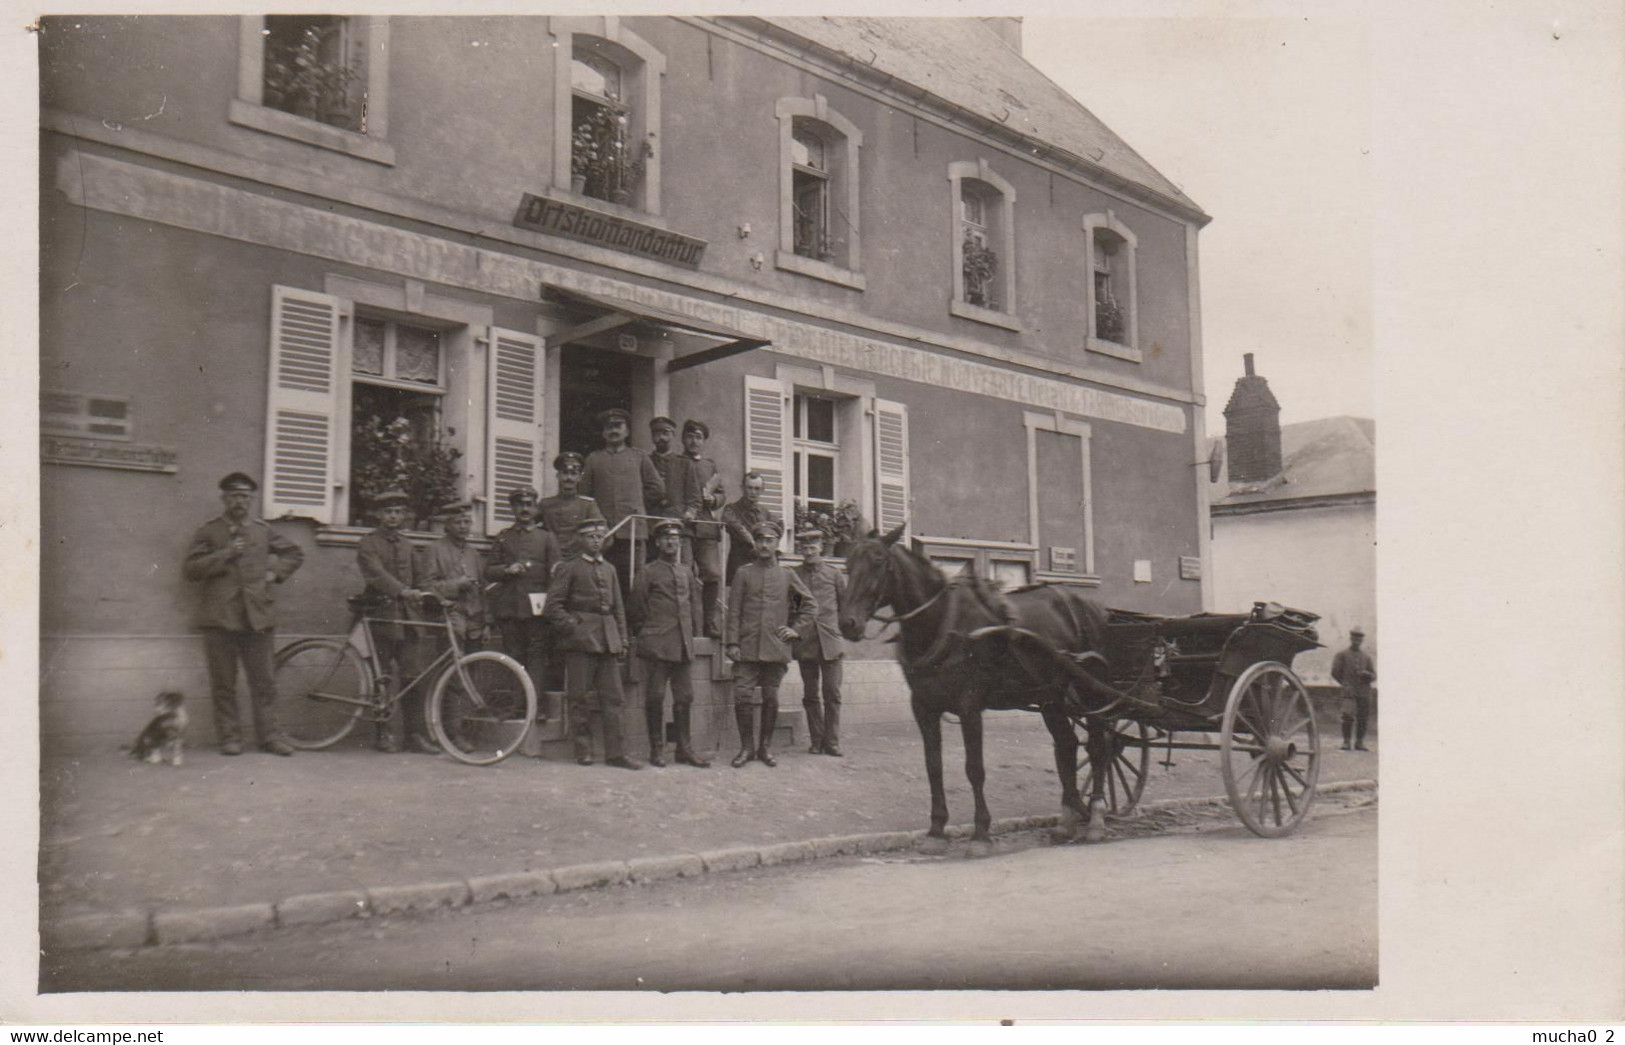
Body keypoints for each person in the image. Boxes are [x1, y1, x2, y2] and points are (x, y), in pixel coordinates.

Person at [182, 472, 305, 756]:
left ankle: (270, 737)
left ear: (252, 499)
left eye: (246, 496)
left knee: (264, 681)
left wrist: (275, 575)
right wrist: (225, 553)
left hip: (257, 616)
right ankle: (230, 737)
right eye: (235, 496)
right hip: (219, 617)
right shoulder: (210, 531)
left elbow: (295, 553)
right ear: (224, 498)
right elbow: (190, 570)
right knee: (223, 683)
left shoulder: (263, 530)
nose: (241, 502)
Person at [546, 517, 641, 770]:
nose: (596, 540)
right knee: (579, 697)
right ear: (580, 539)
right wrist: (573, 627)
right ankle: (583, 750)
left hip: (607, 640)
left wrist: (621, 637)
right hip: (580, 642)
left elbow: (618, 607)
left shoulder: (609, 569)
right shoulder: (570, 568)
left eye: (599, 536)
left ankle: (617, 753)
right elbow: (552, 607)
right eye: (590, 536)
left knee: (614, 699)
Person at [725, 520, 815, 768]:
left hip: (775, 648)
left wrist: (795, 630)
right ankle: (746, 748)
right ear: (755, 543)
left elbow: (806, 606)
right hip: (746, 648)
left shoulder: (787, 576)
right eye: (760, 540)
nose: (764, 545)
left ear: (777, 544)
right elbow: (733, 611)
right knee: (742, 695)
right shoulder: (744, 573)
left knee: (771, 697)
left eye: (769, 540)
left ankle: (765, 748)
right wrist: (732, 642)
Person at [356, 488, 434, 754]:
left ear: (404, 515)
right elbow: (376, 575)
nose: (393, 517)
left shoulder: (408, 545)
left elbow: (421, 579)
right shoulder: (368, 544)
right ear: (379, 515)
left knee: (413, 676)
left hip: (409, 621)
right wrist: (403, 591)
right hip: (381, 616)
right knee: (382, 677)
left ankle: (414, 735)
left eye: (398, 512)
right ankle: (383, 733)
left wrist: (431, 595)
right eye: (388, 512)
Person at [629, 520, 709, 768]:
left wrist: (693, 633)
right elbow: (636, 609)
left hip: (683, 645)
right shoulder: (648, 572)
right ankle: (657, 749)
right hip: (657, 646)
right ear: (657, 543)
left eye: (675, 538)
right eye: (666, 538)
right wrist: (650, 634)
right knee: (655, 697)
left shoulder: (686, 571)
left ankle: (684, 749)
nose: (671, 542)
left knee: (685, 697)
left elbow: (695, 604)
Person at [485, 485, 561, 710]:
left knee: (537, 658)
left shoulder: (547, 538)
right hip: (510, 608)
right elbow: (489, 570)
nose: (524, 509)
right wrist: (507, 570)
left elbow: (557, 574)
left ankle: (534, 707)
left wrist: (552, 605)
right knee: (514, 657)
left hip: (537, 610)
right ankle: (518, 707)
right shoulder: (503, 538)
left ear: (535, 507)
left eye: (529, 504)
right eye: (520, 505)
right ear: (513, 508)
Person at [578, 407, 664, 601]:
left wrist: (638, 504)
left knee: (634, 583)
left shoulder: (639, 457)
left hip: (632, 531)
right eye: (608, 427)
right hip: (604, 533)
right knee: (602, 582)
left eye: (618, 426)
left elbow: (657, 488)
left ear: (627, 431)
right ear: (603, 432)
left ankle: (633, 628)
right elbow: (583, 495)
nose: (613, 431)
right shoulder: (593, 459)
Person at [792, 528, 848, 757]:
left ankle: (832, 741)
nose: (808, 552)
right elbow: (793, 608)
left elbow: (845, 607)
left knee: (832, 693)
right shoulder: (794, 575)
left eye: (812, 548)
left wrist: (837, 631)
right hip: (806, 643)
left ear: (821, 548)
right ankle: (816, 740)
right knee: (811, 694)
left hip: (831, 642)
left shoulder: (834, 575)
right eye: (804, 549)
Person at [671, 418, 726, 638]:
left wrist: (713, 499)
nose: (694, 441)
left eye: (699, 437)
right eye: (690, 437)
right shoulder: (675, 462)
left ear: (704, 441)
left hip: (705, 527)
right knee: (684, 573)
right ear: (683, 439)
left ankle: (709, 620)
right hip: (684, 527)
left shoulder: (709, 465)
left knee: (712, 573)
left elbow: (722, 494)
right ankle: (687, 622)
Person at [417, 501, 487, 653]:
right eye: (458, 522)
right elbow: (426, 586)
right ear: (447, 525)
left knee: (475, 664)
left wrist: (487, 621)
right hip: (450, 618)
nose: (463, 526)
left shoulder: (473, 554)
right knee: (451, 666)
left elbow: (483, 589)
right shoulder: (434, 550)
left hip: (475, 621)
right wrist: (456, 585)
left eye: (466, 522)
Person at [537, 451, 605, 561]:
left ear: (579, 478)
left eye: (573, 474)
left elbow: (604, 534)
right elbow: (529, 526)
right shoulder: (545, 504)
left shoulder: (588, 505)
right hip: (550, 559)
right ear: (558, 476)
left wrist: (587, 556)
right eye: (565, 473)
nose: (569, 478)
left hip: (577, 561)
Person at [722, 471, 780, 586]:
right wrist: (753, 542)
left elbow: (778, 528)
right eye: (750, 488)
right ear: (742, 488)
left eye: (757, 489)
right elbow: (737, 528)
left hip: (762, 564)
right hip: (740, 563)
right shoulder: (731, 509)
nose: (753, 492)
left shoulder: (766, 513)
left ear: (762, 490)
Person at [1331, 627, 1377, 752]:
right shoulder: (1342, 655)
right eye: (1355, 638)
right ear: (1351, 638)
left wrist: (1367, 674)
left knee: (1363, 717)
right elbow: (1335, 672)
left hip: (1364, 691)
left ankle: (1359, 742)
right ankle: (1346, 742)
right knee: (1347, 715)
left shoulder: (1366, 658)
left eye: (1360, 638)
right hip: (1349, 691)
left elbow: (1374, 675)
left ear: (1362, 640)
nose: (1357, 641)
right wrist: (1345, 683)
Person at [646, 415, 682, 520]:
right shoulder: (645, 461)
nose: (661, 437)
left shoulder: (683, 463)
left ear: (673, 435)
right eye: (656, 434)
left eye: (665, 433)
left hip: (676, 517)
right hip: (650, 516)